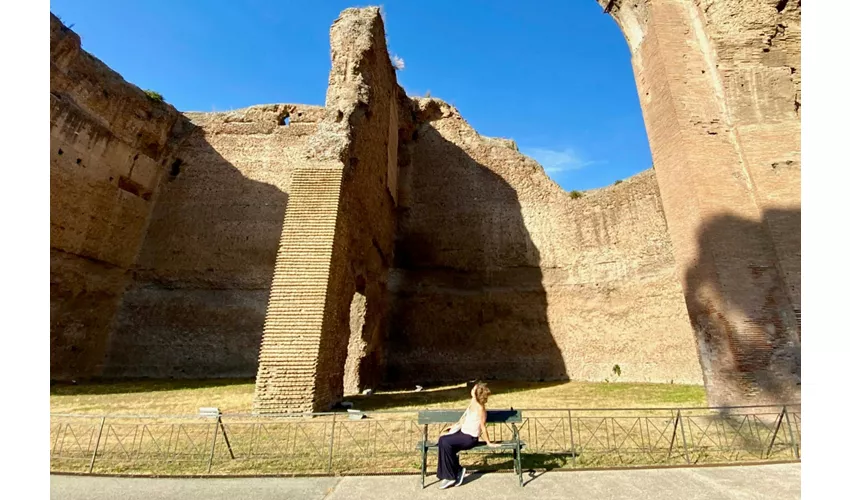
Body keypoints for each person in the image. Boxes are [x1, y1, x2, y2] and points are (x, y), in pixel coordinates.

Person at [436, 381, 499, 489]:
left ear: (476, 393)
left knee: (446, 443)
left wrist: (489, 443)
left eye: (473, 389)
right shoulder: (473, 401)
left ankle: (451, 477)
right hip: (463, 433)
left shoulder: (481, 409)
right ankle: (456, 470)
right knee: (442, 440)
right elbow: (465, 417)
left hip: (470, 438)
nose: (471, 389)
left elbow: (483, 427)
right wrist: (454, 426)